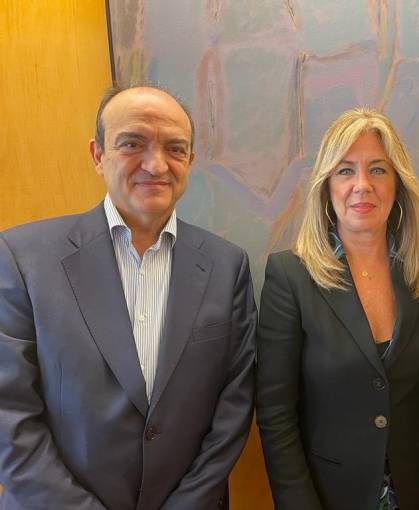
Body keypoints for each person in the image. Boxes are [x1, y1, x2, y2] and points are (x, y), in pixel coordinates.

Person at [0, 85, 257, 509]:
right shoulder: (21, 258)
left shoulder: (227, 266)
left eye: (175, 148)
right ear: (98, 154)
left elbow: (234, 406)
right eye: (133, 143)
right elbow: (9, 415)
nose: (156, 164)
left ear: (189, 161)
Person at [256, 108, 419, 510]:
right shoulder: (290, 276)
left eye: (378, 170)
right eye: (345, 171)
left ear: (398, 184)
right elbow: (276, 412)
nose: (362, 185)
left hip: (418, 491)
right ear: (327, 186)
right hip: (329, 494)